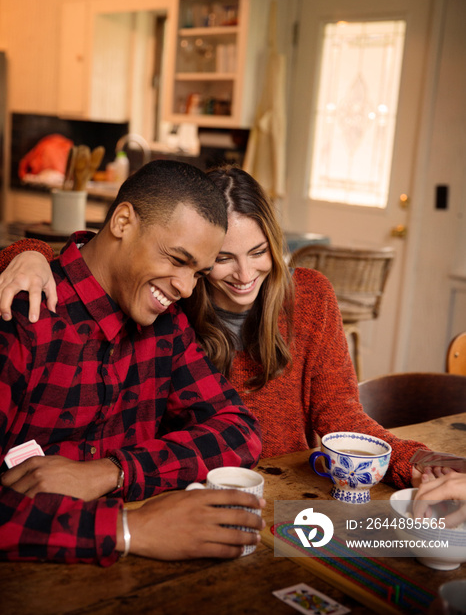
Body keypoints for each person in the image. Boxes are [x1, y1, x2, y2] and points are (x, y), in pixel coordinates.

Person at [0, 164, 446, 490]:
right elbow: (101, 258)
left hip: (285, 487)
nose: (244, 274)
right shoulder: (173, 305)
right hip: (192, 491)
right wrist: (29, 252)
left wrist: (416, 457)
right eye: (221, 260)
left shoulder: (299, 298)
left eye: (258, 251)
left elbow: (334, 413)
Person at [0, 160, 263, 565]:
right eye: (177, 259)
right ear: (123, 222)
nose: (186, 287)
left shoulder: (168, 326)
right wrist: (129, 528)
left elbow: (239, 431)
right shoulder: (21, 319)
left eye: (199, 272)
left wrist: (113, 472)